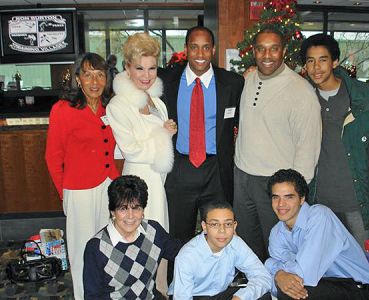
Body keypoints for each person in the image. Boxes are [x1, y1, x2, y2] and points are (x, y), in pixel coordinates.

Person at [233, 26, 322, 261]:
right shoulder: (248, 79)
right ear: (253, 51)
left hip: (275, 185)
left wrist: (294, 193)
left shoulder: (300, 90)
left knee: (278, 247)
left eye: (274, 49)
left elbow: (308, 145)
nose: (267, 55)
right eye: (261, 49)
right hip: (242, 177)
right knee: (247, 245)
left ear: (283, 51)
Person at [300, 33, 369, 246]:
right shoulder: (302, 95)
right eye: (310, 61)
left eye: (323, 60)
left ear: (334, 61)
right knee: (328, 269)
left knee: (367, 267)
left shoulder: (362, 95)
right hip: (318, 202)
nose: (316, 67)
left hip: (357, 200)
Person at [158, 25, 244, 247]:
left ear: (213, 50)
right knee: (178, 235)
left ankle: (217, 280)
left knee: (219, 234)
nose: (200, 54)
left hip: (216, 171)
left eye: (206, 48)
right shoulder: (165, 80)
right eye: (194, 47)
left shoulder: (233, 83)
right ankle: (177, 281)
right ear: (186, 49)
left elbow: (239, 121)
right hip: (179, 168)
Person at [106, 32, 177, 295]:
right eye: (139, 68)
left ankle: (161, 290)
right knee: (140, 241)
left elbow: (157, 140)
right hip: (138, 179)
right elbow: (132, 150)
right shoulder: (118, 105)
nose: (146, 75)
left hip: (158, 180)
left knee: (160, 240)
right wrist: (164, 134)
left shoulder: (154, 98)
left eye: (151, 68)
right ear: (127, 67)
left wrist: (165, 130)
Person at [45, 52, 120, 299]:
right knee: (82, 251)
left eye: (100, 75)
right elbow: (53, 158)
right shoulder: (63, 109)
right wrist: (65, 193)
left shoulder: (112, 107)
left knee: (109, 248)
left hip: (109, 187)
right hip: (79, 189)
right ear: (78, 78)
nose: (95, 81)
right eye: (88, 75)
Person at [265, 169, 369, 300]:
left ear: (302, 199)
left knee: (289, 292)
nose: (281, 204)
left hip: (356, 288)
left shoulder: (319, 216)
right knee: (273, 289)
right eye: (276, 197)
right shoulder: (276, 232)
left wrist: (277, 272)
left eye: (289, 197)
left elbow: (304, 275)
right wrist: (280, 274)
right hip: (324, 283)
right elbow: (275, 272)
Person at [83, 175, 181, 299]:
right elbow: (92, 296)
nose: (130, 216)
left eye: (136, 208)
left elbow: (182, 252)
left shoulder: (153, 231)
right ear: (113, 212)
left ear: (143, 210)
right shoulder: (97, 247)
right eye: (123, 209)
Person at [169, 200, 272, 300]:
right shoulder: (187, 256)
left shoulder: (236, 243)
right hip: (195, 295)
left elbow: (263, 277)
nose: (222, 231)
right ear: (204, 227)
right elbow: (182, 297)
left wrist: (240, 297)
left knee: (262, 296)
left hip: (221, 294)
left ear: (234, 226)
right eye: (215, 224)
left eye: (228, 224)